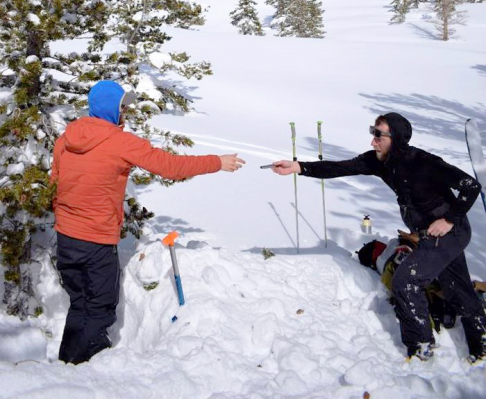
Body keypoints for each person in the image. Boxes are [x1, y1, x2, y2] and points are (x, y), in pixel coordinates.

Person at [50, 80, 245, 364]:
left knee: (79, 303)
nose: (125, 112)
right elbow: (170, 167)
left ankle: (65, 364)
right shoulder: (121, 142)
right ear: (111, 110)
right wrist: (216, 162)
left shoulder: (67, 137)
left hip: (66, 237)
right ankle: (85, 375)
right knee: (100, 308)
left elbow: (54, 182)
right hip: (96, 240)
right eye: (122, 107)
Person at [272, 112, 486, 362]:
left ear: (395, 138)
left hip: (450, 232)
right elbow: (341, 167)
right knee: (456, 287)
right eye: (372, 132)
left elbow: (471, 186)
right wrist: (299, 167)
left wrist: (449, 219)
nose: (373, 141)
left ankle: (421, 348)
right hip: (429, 235)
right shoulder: (379, 161)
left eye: (378, 134)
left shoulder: (425, 162)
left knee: (405, 281)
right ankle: (480, 341)